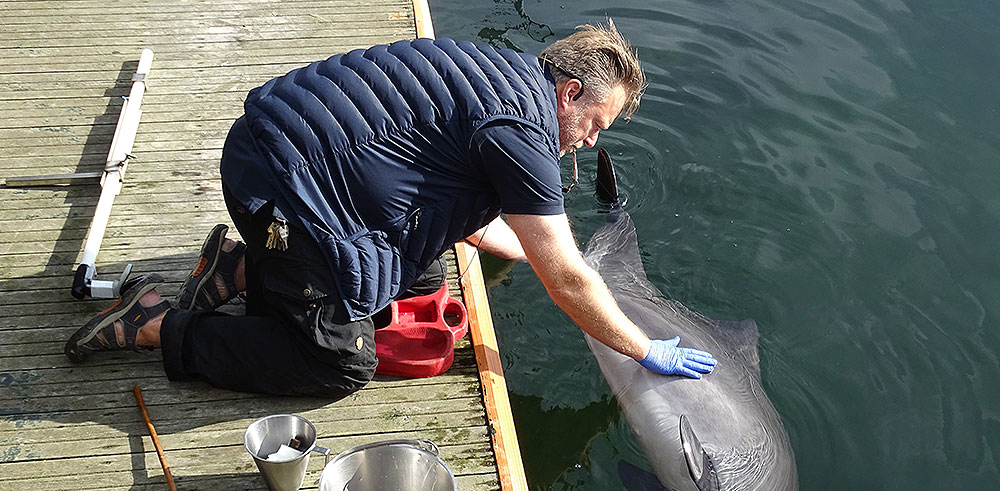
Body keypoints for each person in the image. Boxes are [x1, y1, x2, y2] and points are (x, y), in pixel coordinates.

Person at [65, 22, 717, 397]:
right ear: (570, 92)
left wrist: (538, 247)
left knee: (428, 272)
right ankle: (158, 323)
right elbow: (568, 281)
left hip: (268, 154)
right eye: (595, 123)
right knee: (340, 363)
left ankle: (241, 270)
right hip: (279, 193)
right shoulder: (523, 133)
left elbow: (442, 180)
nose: (591, 139)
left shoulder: (494, 66)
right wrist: (642, 348)